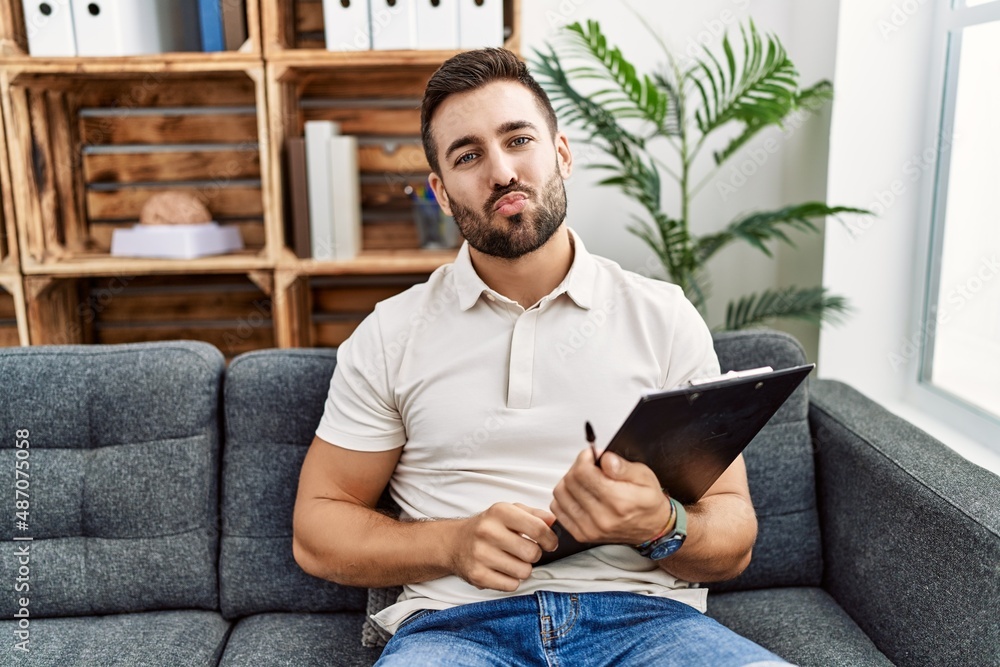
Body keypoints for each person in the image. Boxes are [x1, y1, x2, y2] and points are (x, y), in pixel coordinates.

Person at [292, 48, 791, 667]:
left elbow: (734, 536)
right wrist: (453, 545)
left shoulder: (663, 316)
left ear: (560, 153)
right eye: (468, 155)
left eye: (518, 139)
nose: (501, 172)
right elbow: (317, 530)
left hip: (646, 623)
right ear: (442, 194)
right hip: (456, 630)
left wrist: (659, 523)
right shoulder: (391, 333)